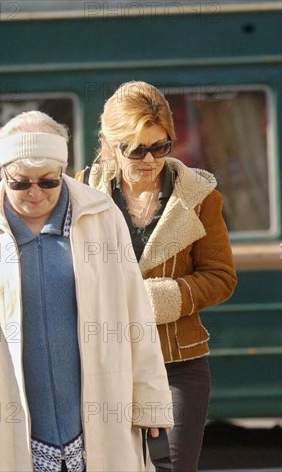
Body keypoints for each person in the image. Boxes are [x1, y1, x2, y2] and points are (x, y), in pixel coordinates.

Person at [0, 110, 174, 472]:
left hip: (97, 425)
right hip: (4, 423)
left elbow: (136, 311)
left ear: (62, 172)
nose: (35, 193)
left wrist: (150, 397)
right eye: (21, 182)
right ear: (2, 173)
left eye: (48, 181)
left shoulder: (102, 215)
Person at [77, 80, 237, 471]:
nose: (149, 160)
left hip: (178, 364)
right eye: (136, 150)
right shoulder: (80, 193)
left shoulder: (198, 196)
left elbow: (221, 277)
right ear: (111, 145)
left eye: (161, 146)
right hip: (103, 362)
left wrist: (157, 299)